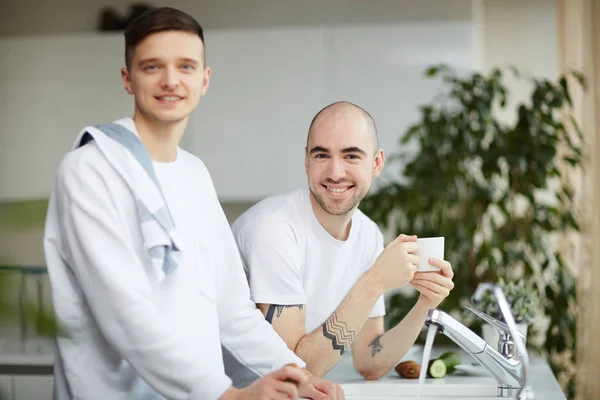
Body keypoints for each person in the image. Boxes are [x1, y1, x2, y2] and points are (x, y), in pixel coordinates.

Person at [43, 7, 343, 400]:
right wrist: (229, 396)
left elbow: (233, 311)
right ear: (127, 79)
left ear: (204, 80)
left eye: (185, 66)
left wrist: (301, 375)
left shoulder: (194, 173)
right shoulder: (89, 170)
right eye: (152, 67)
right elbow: (125, 316)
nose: (171, 80)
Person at [229, 101, 455, 381]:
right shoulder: (273, 228)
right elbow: (295, 372)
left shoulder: (368, 233)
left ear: (376, 163)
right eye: (322, 155)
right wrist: (374, 282)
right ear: (306, 161)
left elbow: (369, 361)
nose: (335, 172)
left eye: (351, 156)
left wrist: (425, 304)